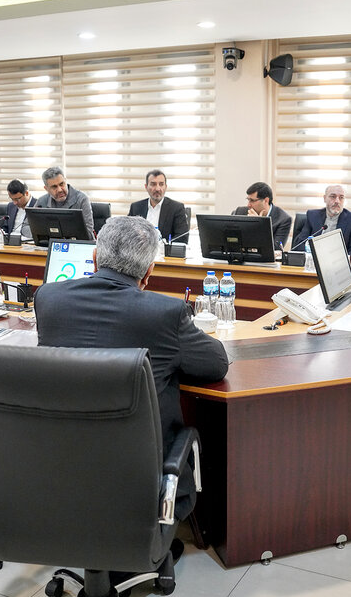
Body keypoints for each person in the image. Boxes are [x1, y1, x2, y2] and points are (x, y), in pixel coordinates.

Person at [35, 215, 229, 519]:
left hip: (59, 467)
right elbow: (216, 364)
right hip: (139, 481)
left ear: (95, 258)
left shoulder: (48, 298)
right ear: (149, 271)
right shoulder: (166, 312)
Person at [292, 184, 351, 256]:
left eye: (341, 197)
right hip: (313, 259)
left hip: (337, 260)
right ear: (325, 198)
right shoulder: (312, 216)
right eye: (333, 196)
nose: (337, 201)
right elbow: (300, 244)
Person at [128, 169, 189, 243]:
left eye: (161, 184)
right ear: (146, 187)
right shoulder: (136, 207)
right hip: (141, 249)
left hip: (164, 250)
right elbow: (127, 234)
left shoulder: (176, 208)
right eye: (153, 184)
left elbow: (182, 238)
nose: (157, 189)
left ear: (165, 187)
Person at [232, 182, 292, 250]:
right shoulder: (240, 212)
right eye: (248, 200)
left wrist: (258, 226)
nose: (248, 205)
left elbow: (276, 248)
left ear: (266, 200)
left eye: (252, 200)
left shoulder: (283, 220)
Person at [36, 166, 94, 236]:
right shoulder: (41, 202)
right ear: (46, 189)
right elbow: (26, 227)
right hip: (50, 242)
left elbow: (88, 232)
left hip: (76, 242)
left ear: (65, 181)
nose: (60, 190)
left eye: (61, 184)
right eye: (54, 187)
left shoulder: (82, 199)